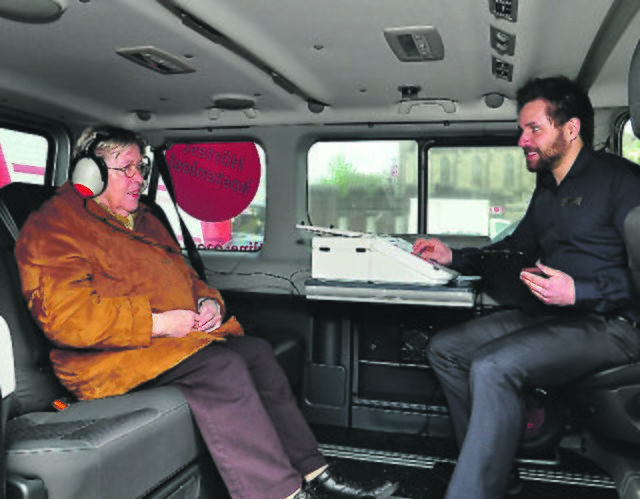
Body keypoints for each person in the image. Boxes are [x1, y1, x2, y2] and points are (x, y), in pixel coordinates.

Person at [15, 126, 399, 499]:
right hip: (108, 359)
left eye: (142, 167)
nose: (138, 178)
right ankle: (282, 493)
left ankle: (317, 472)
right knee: (223, 368)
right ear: (91, 173)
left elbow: (187, 277)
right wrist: (160, 323)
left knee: (257, 353)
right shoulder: (54, 226)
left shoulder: (145, 218)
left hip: (169, 344)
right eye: (126, 168)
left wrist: (207, 302)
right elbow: (67, 319)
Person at [413, 76, 640, 498]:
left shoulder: (622, 181)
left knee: (492, 365)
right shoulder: (548, 186)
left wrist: (581, 291)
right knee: (446, 349)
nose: (522, 139)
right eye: (522, 129)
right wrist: (452, 257)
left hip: (611, 323)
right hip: (553, 315)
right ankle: (490, 472)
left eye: (534, 128)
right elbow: (514, 249)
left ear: (570, 129)